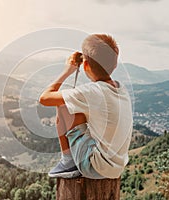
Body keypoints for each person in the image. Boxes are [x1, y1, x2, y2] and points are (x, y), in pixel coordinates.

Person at [39, 34, 133, 179]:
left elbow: (44, 98)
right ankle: (73, 160)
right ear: (114, 65)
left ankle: (68, 161)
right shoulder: (122, 90)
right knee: (74, 105)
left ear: (86, 65)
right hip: (116, 168)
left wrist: (67, 71)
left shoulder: (92, 91)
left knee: (64, 105)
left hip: (94, 168)